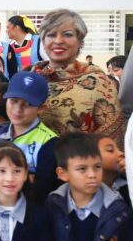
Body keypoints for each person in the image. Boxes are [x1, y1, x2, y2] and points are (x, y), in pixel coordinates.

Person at [32, 9, 124, 145]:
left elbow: (111, 138)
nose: (58, 41)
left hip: (81, 162)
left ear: (80, 41)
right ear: (43, 41)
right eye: (51, 35)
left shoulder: (98, 80)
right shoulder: (30, 77)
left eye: (67, 35)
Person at [0, 71, 60, 204]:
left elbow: (42, 191)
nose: (18, 109)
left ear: (42, 108)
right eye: (13, 101)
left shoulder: (49, 142)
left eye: (27, 104)